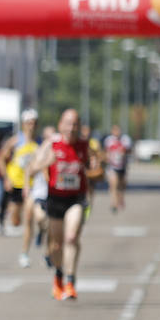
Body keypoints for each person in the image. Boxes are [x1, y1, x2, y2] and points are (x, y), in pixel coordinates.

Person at [29, 109, 98, 301]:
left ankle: (70, 280)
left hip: (75, 198)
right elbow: (31, 168)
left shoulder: (84, 146)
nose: (72, 128)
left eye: (75, 124)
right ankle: (59, 274)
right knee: (56, 244)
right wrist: (45, 161)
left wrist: (93, 169)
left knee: (71, 237)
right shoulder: (51, 144)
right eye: (68, 124)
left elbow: (97, 167)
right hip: (55, 199)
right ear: (61, 125)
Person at [0, 109, 39, 246]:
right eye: (28, 123)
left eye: (34, 123)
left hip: (32, 185)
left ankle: (30, 240)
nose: (31, 126)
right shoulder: (16, 141)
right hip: (16, 182)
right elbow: (0, 160)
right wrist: (6, 178)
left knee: (31, 214)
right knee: (16, 220)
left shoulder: (38, 143)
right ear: (23, 124)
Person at [21, 125, 53, 269]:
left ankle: (48, 254)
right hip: (39, 193)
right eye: (48, 138)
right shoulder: (38, 153)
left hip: (54, 194)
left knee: (51, 225)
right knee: (35, 219)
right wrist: (27, 187)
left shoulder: (60, 152)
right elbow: (30, 169)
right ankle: (24, 254)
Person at [103, 124, 132, 213]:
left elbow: (129, 150)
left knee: (121, 186)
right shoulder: (109, 140)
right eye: (115, 130)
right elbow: (106, 151)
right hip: (112, 166)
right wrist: (107, 158)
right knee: (113, 185)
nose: (117, 132)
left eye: (118, 130)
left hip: (122, 166)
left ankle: (121, 199)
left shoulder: (125, 139)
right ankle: (114, 204)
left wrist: (124, 151)